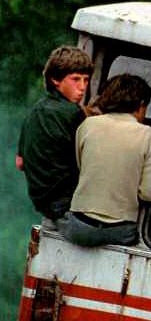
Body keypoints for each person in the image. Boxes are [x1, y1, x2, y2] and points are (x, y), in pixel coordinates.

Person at [60, 74, 151, 247]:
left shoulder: (88, 125)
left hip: (79, 227)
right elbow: (149, 192)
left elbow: (80, 167)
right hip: (119, 232)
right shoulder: (147, 135)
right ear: (141, 104)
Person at [17, 46, 93, 223]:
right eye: (75, 79)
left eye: (86, 80)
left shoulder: (35, 110)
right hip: (68, 204)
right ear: (55, 79)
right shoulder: (73, 113)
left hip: (42, 204)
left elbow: (20, 162)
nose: (82, 87)